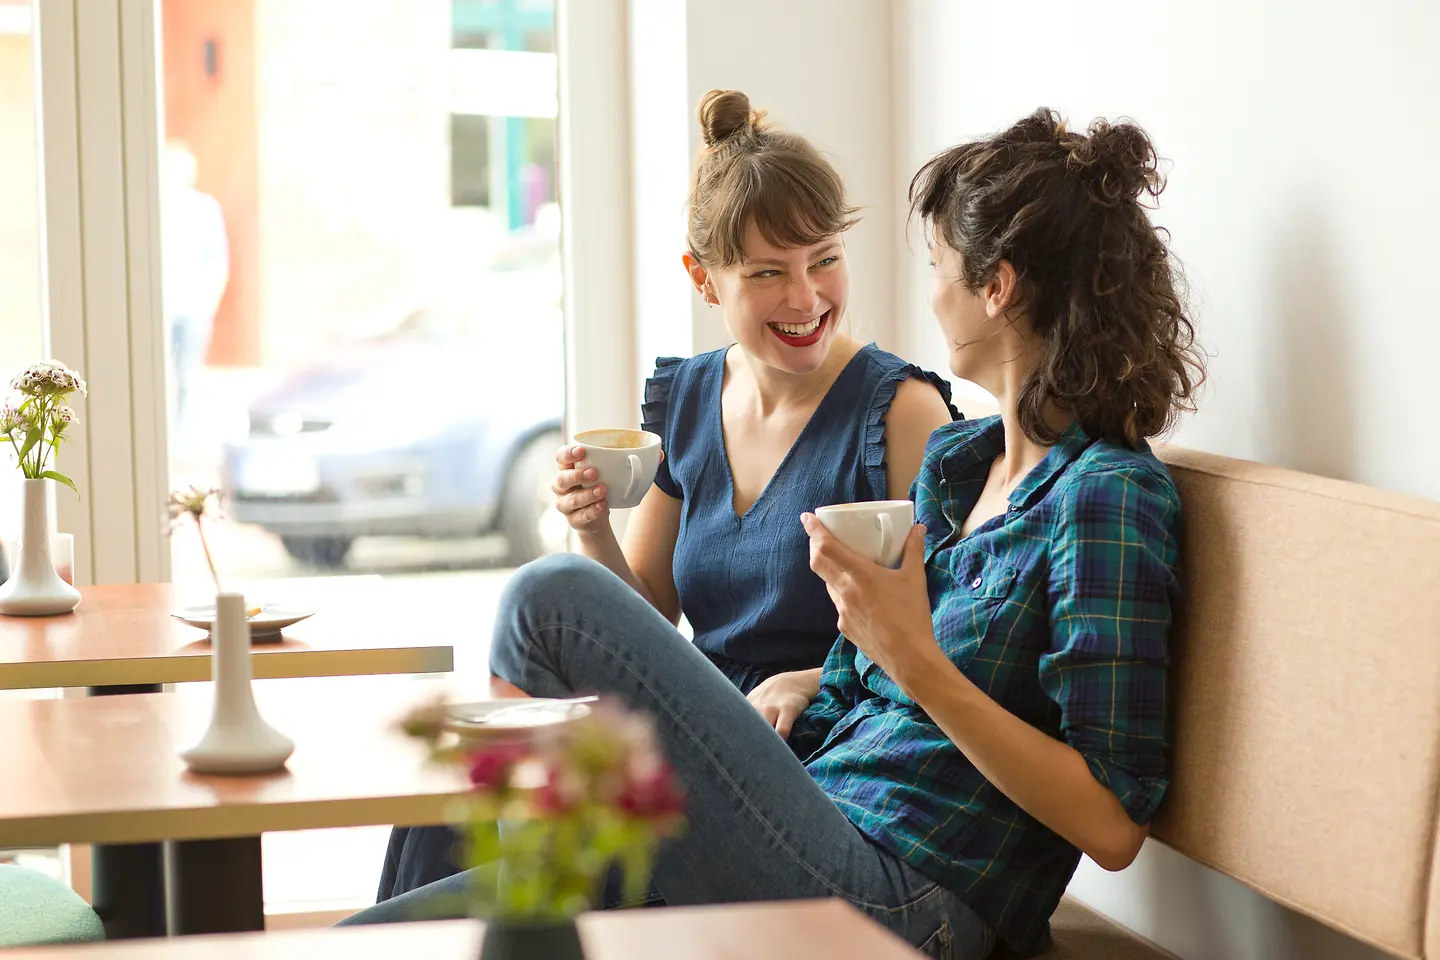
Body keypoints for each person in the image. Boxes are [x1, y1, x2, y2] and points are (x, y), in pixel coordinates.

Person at [349, 106, 1205, 957]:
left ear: (998, 286)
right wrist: (819, 679)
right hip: (814, 812)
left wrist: (912, 659)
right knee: (415, 910)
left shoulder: (1104, 496)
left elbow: (1113, 821)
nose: (928, 289)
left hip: (909, 896)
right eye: (768, 273)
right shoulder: (961, 465)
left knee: (551, 600)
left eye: (939, 264)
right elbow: (865, 677)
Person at [372, 89, 959, 903]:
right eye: (766, 273)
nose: (806, 297)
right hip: (689, 737)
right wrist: (591, 529)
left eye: (823, 258)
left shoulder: (900, 411)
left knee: (515, 738)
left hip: (810, 764)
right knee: (466, 767)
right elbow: (647, 612)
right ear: (704, 280)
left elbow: (950, 635)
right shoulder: (688, 399)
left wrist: (814, 679)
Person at [161, 142, 229, 439]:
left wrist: (208, 301)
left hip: (192, 307)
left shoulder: (203, 209)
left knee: (188, 376)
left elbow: (217, 260)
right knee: (158, 374)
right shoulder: (154, 209)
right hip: (161, 307)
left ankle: (183, 438)